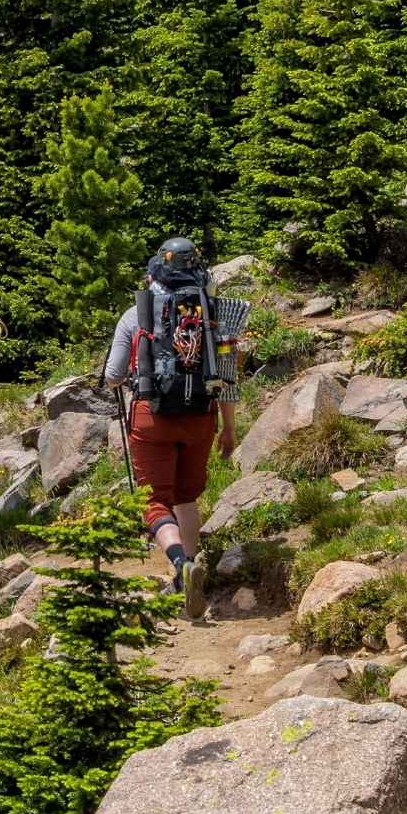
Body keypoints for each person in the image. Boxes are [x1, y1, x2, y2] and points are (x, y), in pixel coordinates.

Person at [103, 236, 239, 616]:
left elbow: (113, 376)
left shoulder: (136, 313)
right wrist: (229, 429)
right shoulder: (216, 314)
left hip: (152, 419)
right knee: (186, 497)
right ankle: (189, 575)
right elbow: (227, 379)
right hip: (200, 417)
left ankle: (180, 565)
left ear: (156, 273)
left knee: (155, 502)